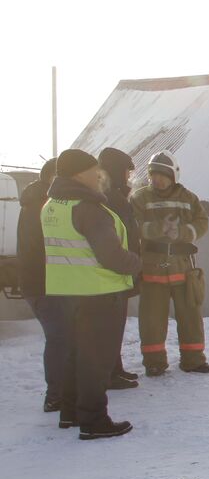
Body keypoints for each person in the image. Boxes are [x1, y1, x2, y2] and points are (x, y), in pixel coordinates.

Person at [41, 150, 143, 439]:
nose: (99, 175)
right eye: (92, 170)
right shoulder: (88, 208)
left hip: (66, 291)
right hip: (99, 292)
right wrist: (137, 263)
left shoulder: (52, 204)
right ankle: (94, 420)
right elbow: (110, 255)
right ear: (77, 174)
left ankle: (71, 413)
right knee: (96, 361)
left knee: (76, 356)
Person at [131, 152, 209, 376]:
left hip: (183, 268)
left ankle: (193, 360)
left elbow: (202, 222)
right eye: (154, 175)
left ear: (173, 175)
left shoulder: (188, 198)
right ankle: (154, 362)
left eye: (162, 175)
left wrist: (183, 232)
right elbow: (132, 226)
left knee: (190, 316)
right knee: (152, 320)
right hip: (152, 268)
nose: (158, 179)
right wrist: (159, 229)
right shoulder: (139, 198)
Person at [17, 159, 64, 412]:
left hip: (36, 283)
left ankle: (59, 392)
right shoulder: (42, 206)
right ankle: (56, 395)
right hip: (44, 284)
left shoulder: (34, 200)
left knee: (58, 337)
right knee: (59, 338)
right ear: (52, 178)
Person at [98, 147, 141, 388]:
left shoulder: (115, 197)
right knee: (110, 327)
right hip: (114, 273)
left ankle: (116, 368)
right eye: (126, 171)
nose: (129, 177)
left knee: (116, 326)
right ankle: (109, 373)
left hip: (120, 272)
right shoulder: (110, 200)